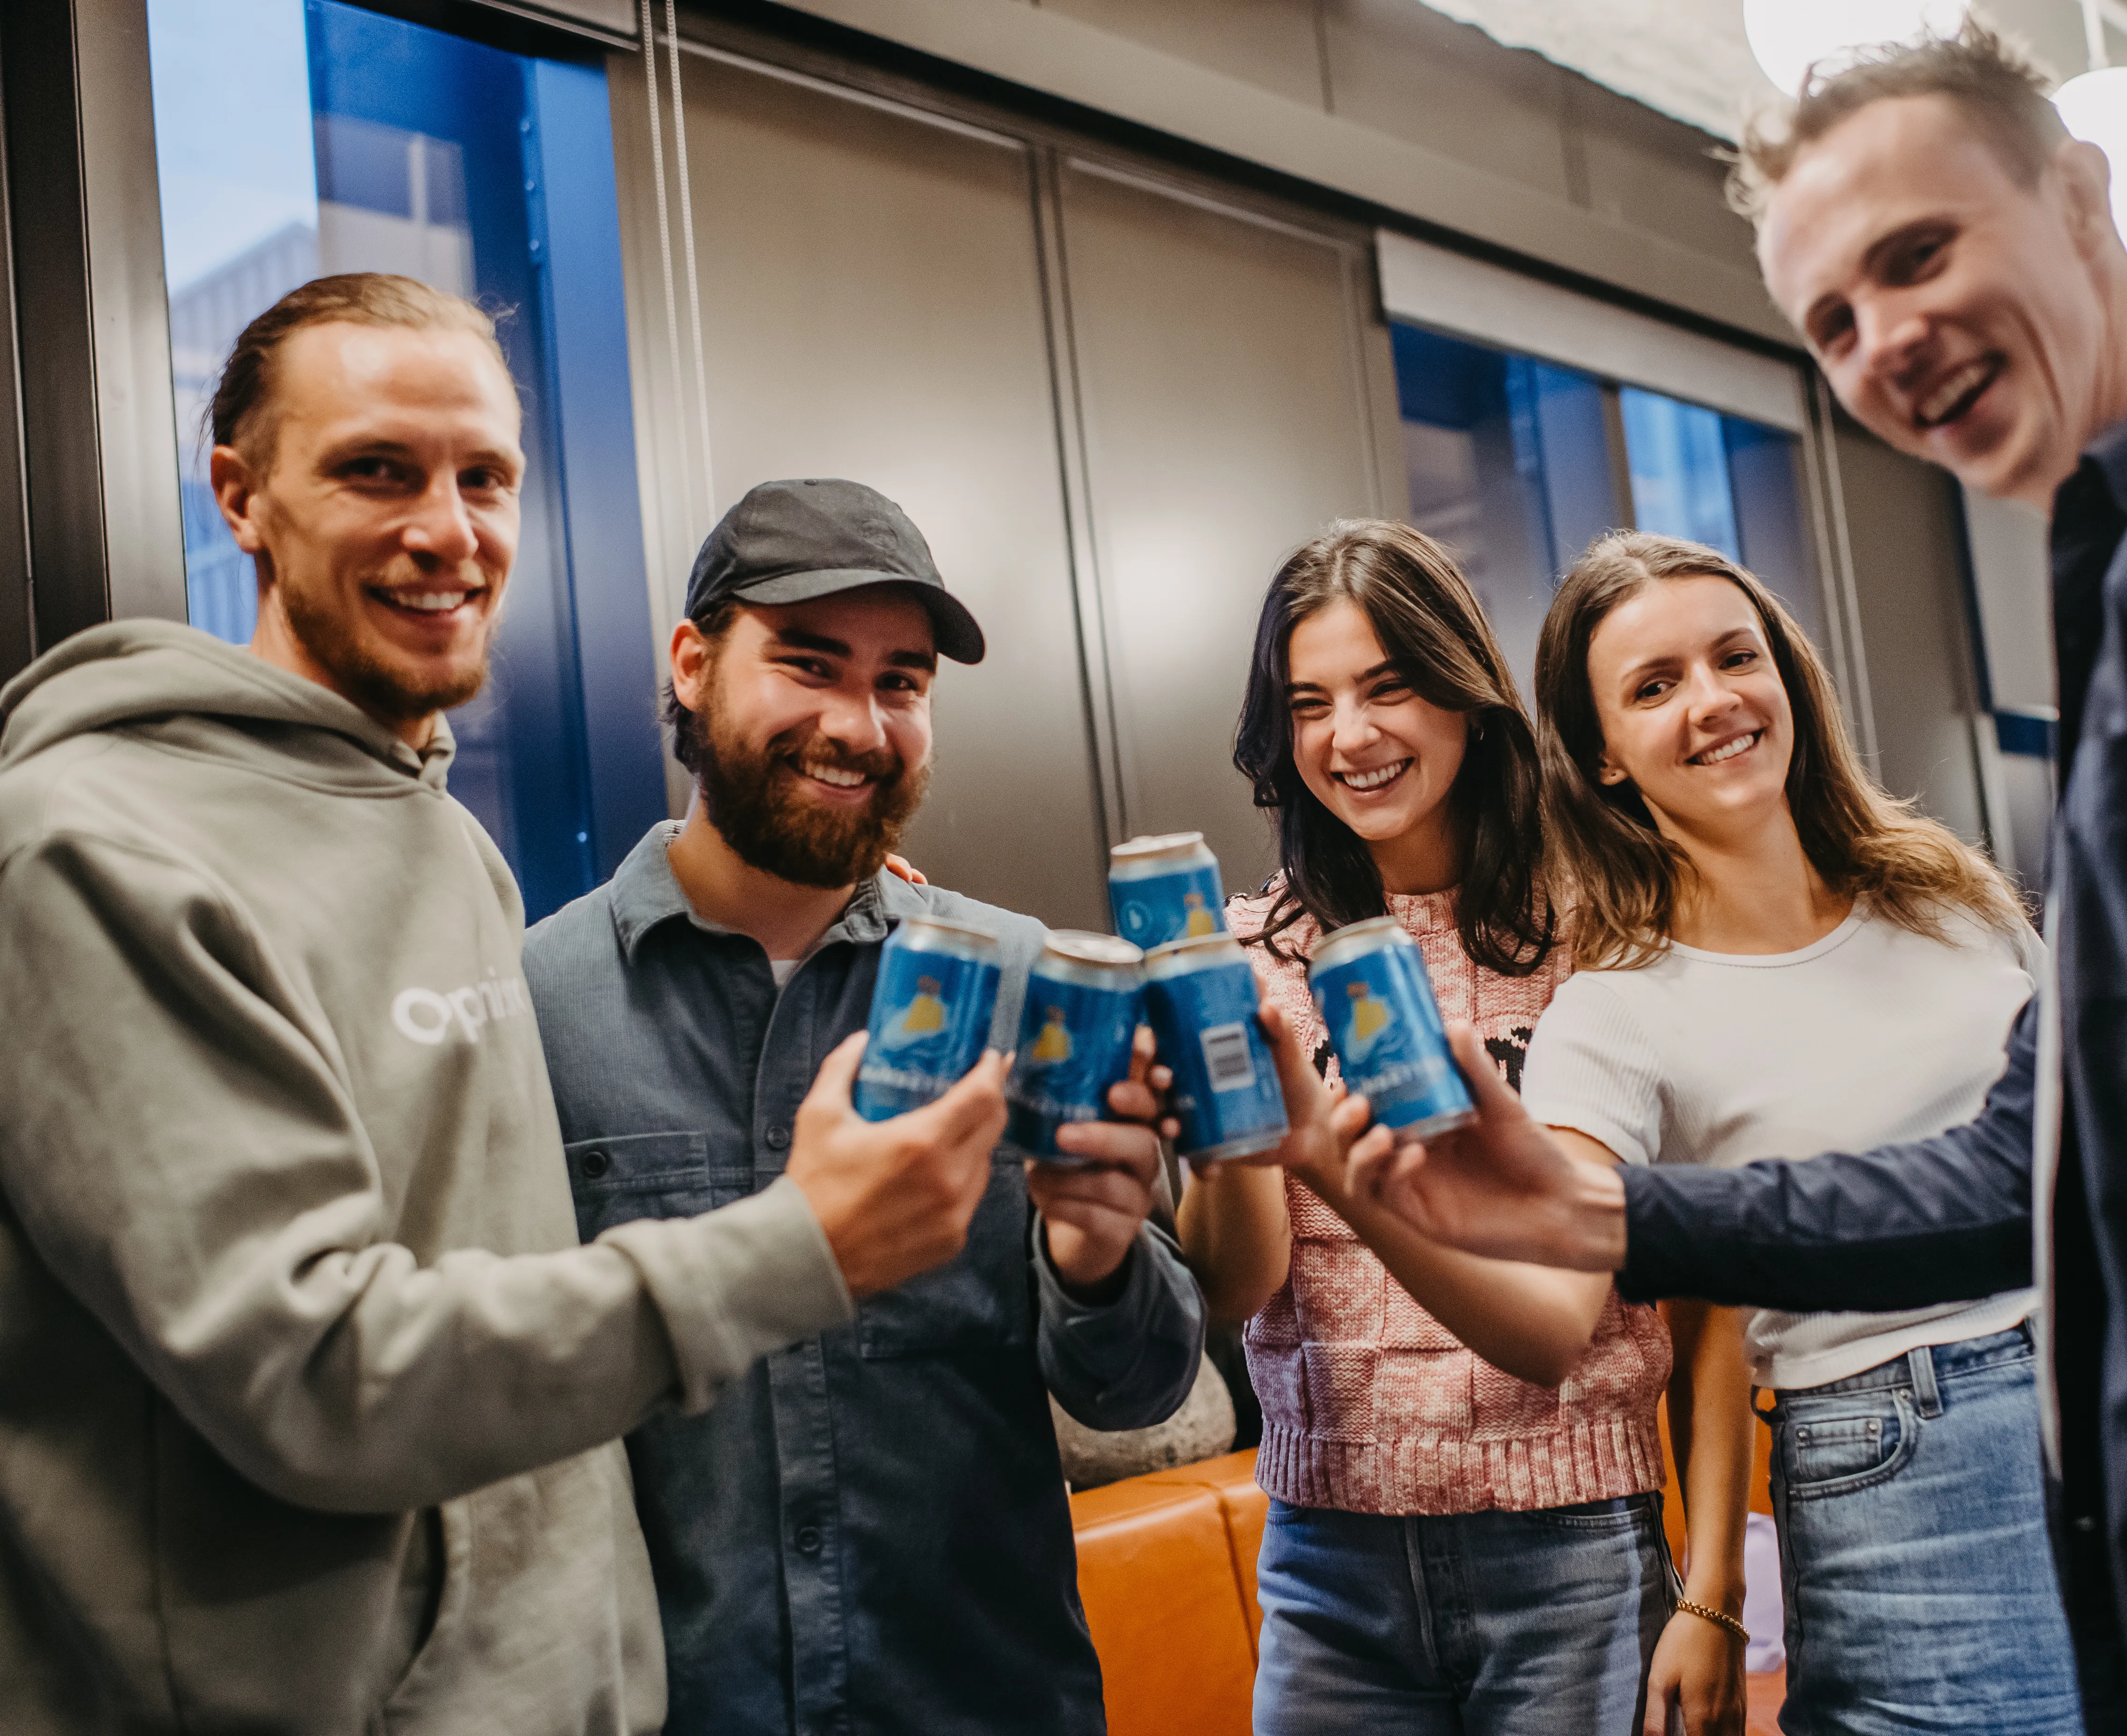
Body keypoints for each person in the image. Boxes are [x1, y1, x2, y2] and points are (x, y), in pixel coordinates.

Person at [1344, 26, 2127, 1735]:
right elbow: (2031, 1163)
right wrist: (1600, 1212)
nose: (1887, 346)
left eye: (1919, 253)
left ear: (2082, 197)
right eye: (1834, 323)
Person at [0, 276, 1014, 1730]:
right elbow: (314, 1373)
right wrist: (799, 1248)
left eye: (484, 477)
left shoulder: (444, 838)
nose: (447, 530)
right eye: (375, 471)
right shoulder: (91, 847)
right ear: (242, 496)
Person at [522, 477, 1208, 1736]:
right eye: (810, 664)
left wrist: (1099, 1259)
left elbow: (1138, 1390)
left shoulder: (1024, 985)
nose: (860, 722)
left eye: (901, 682)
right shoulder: (537, 1006)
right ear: (691, 664)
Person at [1520, 528, 2079, 1736]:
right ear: (1603, 758)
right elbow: (1693, 1296)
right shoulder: (1617, 1012)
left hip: (2120, 1399)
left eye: (1736, 656)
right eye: (1654, 687)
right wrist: (1710, 1590)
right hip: (1903, 1455)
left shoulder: (1950, 896)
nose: (1713, 701)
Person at [1175, 520, 1687, 1736]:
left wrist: (1710, 1590)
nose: (1349, 737)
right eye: (1311, 703)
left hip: (1571, 1542)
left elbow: (1589, 1315)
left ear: (1466, 693)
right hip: (1325, 1554)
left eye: (1387, 687)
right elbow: (1238, 1289)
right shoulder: (1252, 951)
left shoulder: (1599, 935)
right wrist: (1229, 1114)